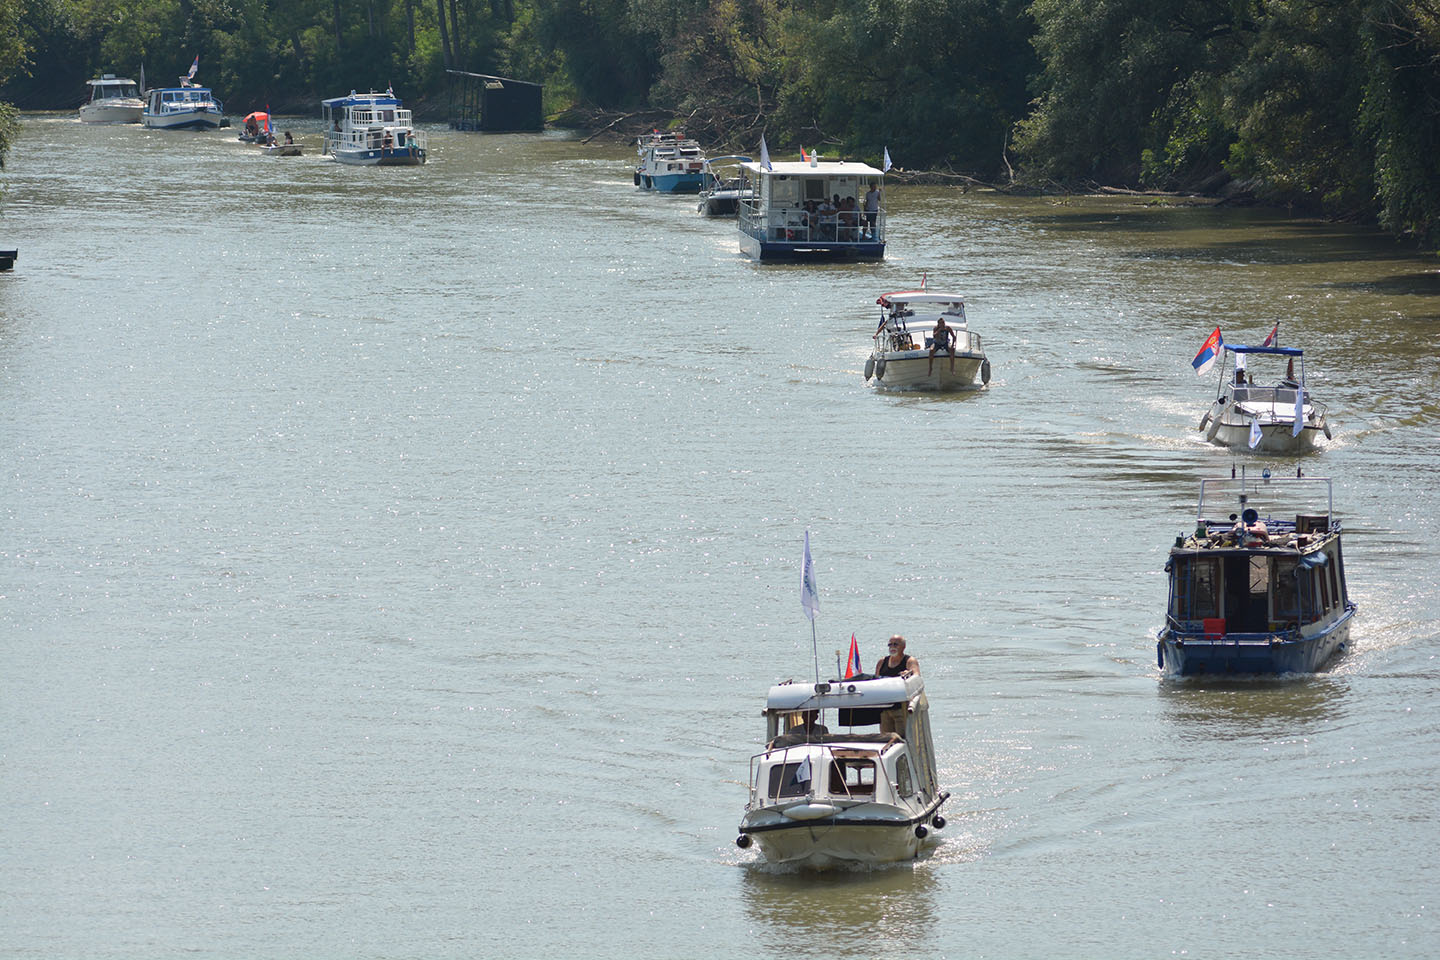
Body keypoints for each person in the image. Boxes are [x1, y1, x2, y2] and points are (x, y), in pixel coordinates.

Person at [874, 636, 918, 737]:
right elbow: (875, 681)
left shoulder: (909, 661)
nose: (892, 647)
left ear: (903, 646)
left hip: (901, 708)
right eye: (890, 644)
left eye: (895, 644)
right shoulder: (882, 662)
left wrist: (909, 673)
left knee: (903, 739)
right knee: (886, 739)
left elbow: (917, 677)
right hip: (885, 708)